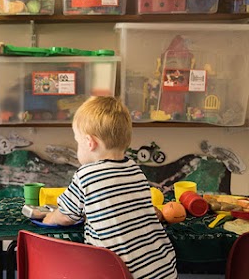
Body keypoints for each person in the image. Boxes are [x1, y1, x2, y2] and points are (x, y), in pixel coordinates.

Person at [42, 96, 178, 279]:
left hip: (122, 273)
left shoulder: (86, 175)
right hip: (163, 268)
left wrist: (48, 218)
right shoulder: (135, 170)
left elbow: (65, 216)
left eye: (77, 141)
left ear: (90, 143)